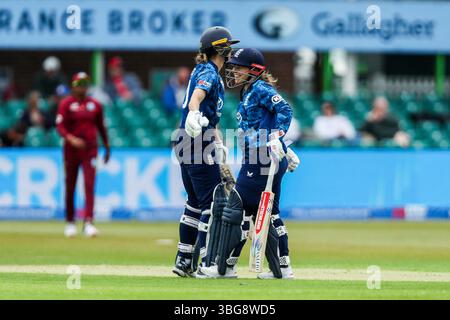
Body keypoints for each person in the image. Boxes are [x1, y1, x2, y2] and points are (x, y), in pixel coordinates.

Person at [197, 48, 300, 279]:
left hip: (261, 159)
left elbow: (284, 109)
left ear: (254, 69)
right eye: (231, 66)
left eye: (238, 67)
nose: (233, 70)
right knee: (269, 214)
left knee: (236, 208)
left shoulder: (261, 89)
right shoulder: (248, 91)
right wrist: (283, 145)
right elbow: (264, 124)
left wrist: (278, 137)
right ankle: (282, 268)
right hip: (262, 158)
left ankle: (224, 268)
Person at [172, 26, 240, 277]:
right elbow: (196, 98)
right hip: (196, 141)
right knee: (212, 204)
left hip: (188, 141)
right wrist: (193, 112)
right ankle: (206, 260)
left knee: (194, 203)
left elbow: (211, 116)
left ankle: (183, 260)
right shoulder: (209, 71)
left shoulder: (206, 71)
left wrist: (219, 144)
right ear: (220, 48)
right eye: (228, 46)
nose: (231, 50)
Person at [56, 72, 110, 238]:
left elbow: (101, 127)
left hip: (90, 149)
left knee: (89, 185)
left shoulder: (95, 105)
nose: (83, 86)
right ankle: (70, 222)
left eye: (86, 83)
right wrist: (71, 139)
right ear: (73, 85)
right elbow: (60, 126)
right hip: (71, 150)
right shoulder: (66, 104)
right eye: (80, 83)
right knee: (70, 185)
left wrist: (107, 147)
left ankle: (88, 223)